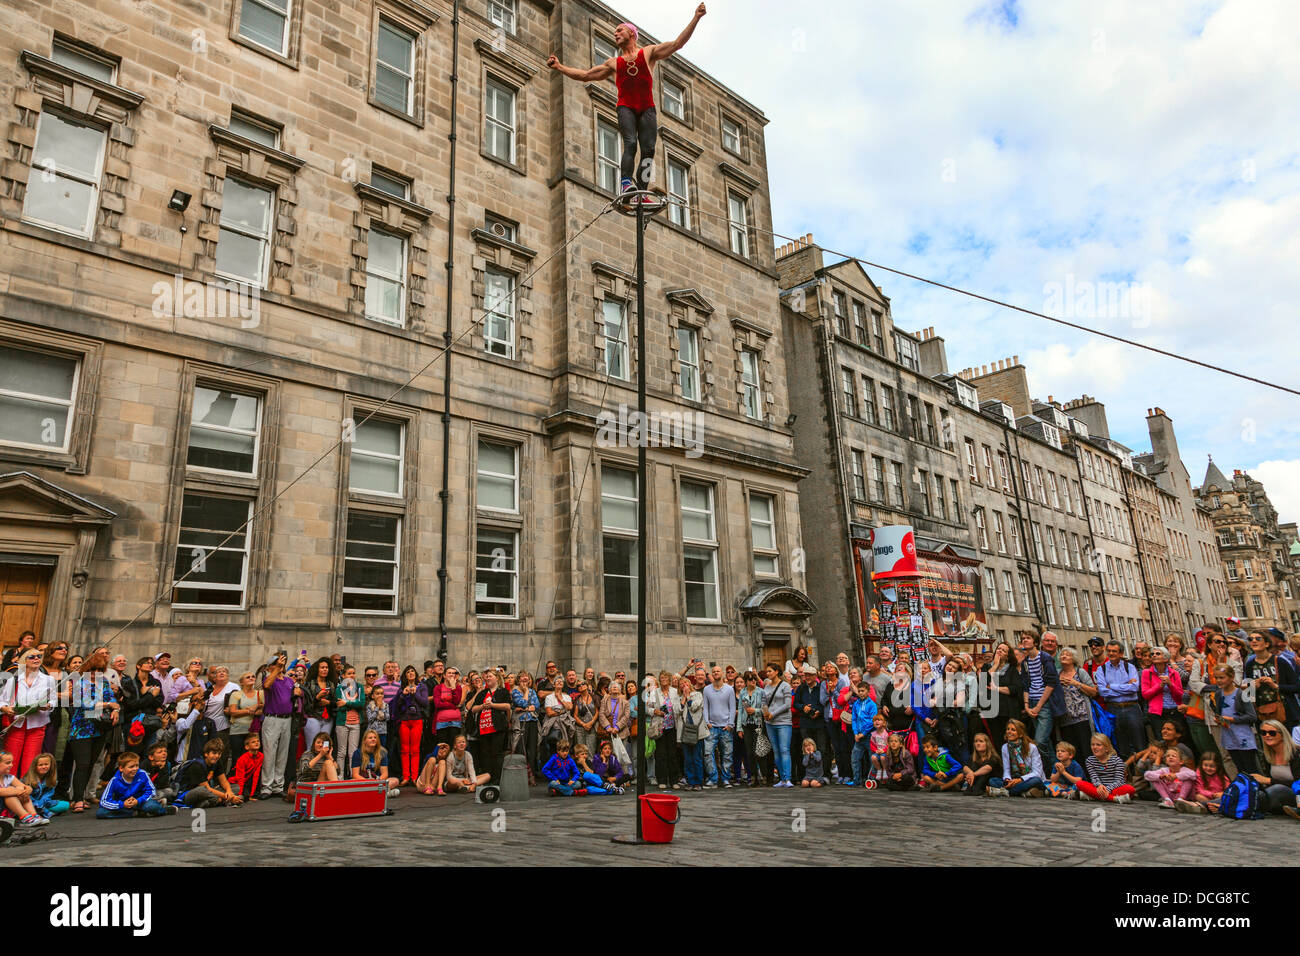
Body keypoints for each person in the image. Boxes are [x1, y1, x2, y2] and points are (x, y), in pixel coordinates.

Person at [546, 5, 708, 197]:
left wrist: (696, 17)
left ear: (631, 33)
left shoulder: (647, 53)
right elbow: (586, 75)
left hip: (647, 108)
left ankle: (642, 191)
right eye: (615, 31)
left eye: (619, 30)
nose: (615, 34)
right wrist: (559, 67)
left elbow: (677, 44)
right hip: (626, 108)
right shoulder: (613, 63)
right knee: (630, 143)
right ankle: (625, 184)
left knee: (648, 150)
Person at [66, 650, 119, 812]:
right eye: (94, 669)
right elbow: (86, 705)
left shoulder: (103, 682)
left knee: (91, 764)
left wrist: (115, 709)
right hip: (81, 728)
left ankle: (82, 796)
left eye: (100, 670)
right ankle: (76, 799)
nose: (96, 673)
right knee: (81, 764)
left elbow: (112, 698)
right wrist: (108, 706)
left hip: (99, 727)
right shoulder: (80, 682)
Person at [1, 646, 56, 777]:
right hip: (16, 724)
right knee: (11, 761)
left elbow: (53, 701)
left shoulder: (49, 680)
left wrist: (48, 705)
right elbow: (2, 700)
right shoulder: (13, 679)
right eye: (32, 656)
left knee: (31, 761)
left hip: (37, 725)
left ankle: (26, 789)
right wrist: (5, 708)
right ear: (24, 661)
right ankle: (8, 790)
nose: (36, 658)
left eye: (39, 656)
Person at [1095, 640, 1145, 758]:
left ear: (1121, 654)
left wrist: (1111, 686)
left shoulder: (1130, 667)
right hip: (1113, 708)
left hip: (1132, 707)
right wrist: (1125, 686)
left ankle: (1143, 771)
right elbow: (1102, 691)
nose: (1111, 654)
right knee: (1121, 743)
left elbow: (1134, 688)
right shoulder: (1102, 670)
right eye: (1109, 651)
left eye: (1114, 651)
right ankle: (1127, 772)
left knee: (1139, 741)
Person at [1244, 632, 1300, 730]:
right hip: (1263, 714)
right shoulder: (1249, 665)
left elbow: (1296, 687)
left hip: (1285, 712)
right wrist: (1252, 687)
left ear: (1267, 644)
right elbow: (1248, 695)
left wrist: (1276, 686)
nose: (1253, 641)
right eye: (1250, 639)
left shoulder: (1280, 662)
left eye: (1258, 638)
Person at [1210, 664, 1258, 776]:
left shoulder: (1241, 694)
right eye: (1216, 678)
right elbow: (1219, 712)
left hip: (1243, 736)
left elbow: (1252, 716)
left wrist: (1232, 719)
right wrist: (1220, 720)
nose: (1218, 681)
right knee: (1240, 768)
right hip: (1229, 737)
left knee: (1251, 769)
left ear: (1231, 677)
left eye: (1222, 677)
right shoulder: (1218, 694)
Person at [97, 751, 173, 818]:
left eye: (137, 765)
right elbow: (104, 801)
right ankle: (136, 813)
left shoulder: (142, 774)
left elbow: (151, 791)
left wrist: (138, 800)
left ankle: (164, 810)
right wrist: (122, 804)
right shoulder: (115, 780)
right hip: (124, 804)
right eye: (131, 767)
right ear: (121, 768)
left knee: (151, 806)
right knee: (101, 812)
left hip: (141, 802)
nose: (135, 769)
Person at [1251, 719, 1300, 819]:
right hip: (1277, 796)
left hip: (1295, 793)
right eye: (1263, 733)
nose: (1267, 735)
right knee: (1251, 791)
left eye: (1272, 733)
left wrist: (1268, 781)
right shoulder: (1267, 756)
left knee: (1275, 790)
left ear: (1282, 735)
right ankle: (1219, 803)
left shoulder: (1296, 753)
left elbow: (1297, 783)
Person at [470, 668, 511, 785]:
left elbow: (508, 706)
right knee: (485, 755)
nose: (487, 678)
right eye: (486, 677)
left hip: (497, 727)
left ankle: (496, 779)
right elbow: (473, 709)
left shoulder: (502, 691)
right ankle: (486, 779)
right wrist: (483, 706)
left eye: (490, 676)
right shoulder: (482, 693)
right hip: (483, 729)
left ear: (497, 678)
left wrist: (492, 705)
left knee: (497, 754)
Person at [1141, 647, 1189, 746]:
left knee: (1179, 741)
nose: (1154, 655)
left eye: (1158, 653)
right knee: (1162, 742)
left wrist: (1170, 684)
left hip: (1175, 711)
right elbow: (1145, 695)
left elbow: (1180, 694)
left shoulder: (1174, 673)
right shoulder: (1146, 673)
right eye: (1152, 654)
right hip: (1158, 713)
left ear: (1166, 658)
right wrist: (1160, 686)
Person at [391, 666, 428, 787]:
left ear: (416, 673)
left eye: (412, 671)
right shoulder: (401, 688)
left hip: (417, 719)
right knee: (405, 749)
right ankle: (406, 777)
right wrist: (403, 694)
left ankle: (414, 777)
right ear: (405, 675)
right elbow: (396, 705)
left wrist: (415, 693)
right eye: (408, 672)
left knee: (415, 749)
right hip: (404, 720)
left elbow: (425, 702)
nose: (410, 673)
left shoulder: (422, 686)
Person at [177, 739, 242, 808]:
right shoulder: (196, 765)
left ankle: (213, 801)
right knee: (201, 790)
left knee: (237, 787)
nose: (217, 756)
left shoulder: (217, 762)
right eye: (214, 753)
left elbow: (224, 781)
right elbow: (206, 788)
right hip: (190, 793)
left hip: (209, 792)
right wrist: (228, 797)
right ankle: (221, 800)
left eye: (219, 754)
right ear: (206, 754)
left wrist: (229, 792)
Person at [989, 719, 1044, 797]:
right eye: (1008, 729)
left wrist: (1020, 779)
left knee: (1036, 781)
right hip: (1014, 779)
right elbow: (1007, 770)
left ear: (1020, 734)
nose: (1009, 732)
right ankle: (1023, 792)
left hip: (1028, 779)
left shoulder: (1032, 747)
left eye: (1013, 730)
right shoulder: (1005, 747)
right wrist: (1007, 779)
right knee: (992, 781)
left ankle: (1005, 792)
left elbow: (1037, 773)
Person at [701, 665, 736, 788]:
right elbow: (705, 707)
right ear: (711, 674)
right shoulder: (707, 690)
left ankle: (726, 779)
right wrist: (706, 722)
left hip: (725, 727)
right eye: (714, 671)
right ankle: (713, 779)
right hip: (711, 727)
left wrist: (730, 724)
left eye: (718, 671)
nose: (716, 673)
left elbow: (732, 707)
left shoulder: (729, 690)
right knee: (707, 753)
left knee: (727, 754)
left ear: (722, 674)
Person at [1076, 734, 1136, 803]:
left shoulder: (1117, 760)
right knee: (1079, 783)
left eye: (1098, 745)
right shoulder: (1089, 760)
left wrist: (1107, 789)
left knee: (1130, 789)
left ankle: (1092, 796)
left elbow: (1119, 781)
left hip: (1114, 788)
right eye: (1092, 745)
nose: (1094, 747)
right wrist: (1099, 785)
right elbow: (1094, 777)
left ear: (1106, 749)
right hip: (1098, 788)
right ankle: (1114, 799)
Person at [761, 664, 793, 788]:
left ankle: (788, 778)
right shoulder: (766, 688)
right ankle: (782, 778)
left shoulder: (785, 686)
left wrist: (772, 713)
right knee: (776, 750)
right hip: (770, 722)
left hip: (783, 721)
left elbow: (787, 704)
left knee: (784, 749)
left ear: (776, 672)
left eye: (770, 671)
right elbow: (763, 703)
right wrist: (765, 713)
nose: (767, 673)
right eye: (766, 671)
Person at [331, 665, 365, 776]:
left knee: (353, 752)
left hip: (355, 723)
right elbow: (339, 706)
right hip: (342, 723)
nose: (352, 675)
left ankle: (353, 775)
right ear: (343, 675)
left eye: (353, 673)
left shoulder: (359, 687)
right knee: (341, 751)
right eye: (349, 673)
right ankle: (340, 776)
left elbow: (361, 704)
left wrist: (347, 703)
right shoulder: (339, 688)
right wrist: (351, 704)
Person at [0, 749, 48, 827]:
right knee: (10, 795)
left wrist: (26, 790)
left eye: (11, 762)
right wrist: (17, 791)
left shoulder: (9, 777)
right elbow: (1, 791)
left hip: (7, 809)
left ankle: (34, 815)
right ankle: (25, 817)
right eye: (8, 763)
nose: (11, 765)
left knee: (23, 794)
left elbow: (26, 787)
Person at [1174, 750, 1231, 815]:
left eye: (1212, 766)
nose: (1208, 768)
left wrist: (1222, 793)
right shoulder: (1199, 774)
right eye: (1205, 765)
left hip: (1217, 798)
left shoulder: (1222, 776)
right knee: (1198, 796)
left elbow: (1229, 789)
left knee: (1225, 798)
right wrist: (1212, 794)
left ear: (1217, 766)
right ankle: (1207, 806)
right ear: (1201, 765)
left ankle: (1201, 806)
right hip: (1205, 797)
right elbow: (1199, 789)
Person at [225, 670, 263, 766]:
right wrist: (250, 710)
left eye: (253, 676)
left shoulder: (260, 694)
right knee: (237, 758)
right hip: (237, 730)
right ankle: (237, 779)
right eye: (248, 677)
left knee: (253, 758)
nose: (251, 678)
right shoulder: (236, 694)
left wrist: (243, 711)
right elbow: (233, 712)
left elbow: (262, 711)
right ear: (241, 682)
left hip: (253, 731)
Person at [676, 676, 706, 791]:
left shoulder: (697, 695)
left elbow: (694, 707)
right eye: (681, 684)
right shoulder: (678, 698)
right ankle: (690, 781)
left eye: (685, 683)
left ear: (689, 684)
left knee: (697, 757)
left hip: (696, 731)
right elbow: (677, 711)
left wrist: (688, 696)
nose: (684, 686)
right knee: (687, 759)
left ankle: (698, 782)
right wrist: (683, 698)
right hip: (684, 732)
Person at [847, 680, 879, 787]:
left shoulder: (872, 705)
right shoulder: (856, 704)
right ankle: (857, 780)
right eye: (859, 691)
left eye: (863, 691)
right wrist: (856, 733)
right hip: (858, 736)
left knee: (871, 759)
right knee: (855, 758)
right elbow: (854, 719)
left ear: (868, 691)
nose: (860, 693)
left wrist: (863, 733)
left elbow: (872, 721)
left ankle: (871, 779)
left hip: (869, 736)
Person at [511, 670, 541, 780]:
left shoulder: (533, 691)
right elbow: (522, 703)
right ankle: (521, 775)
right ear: (518, 680)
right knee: (521, 748)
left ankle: (531, 775)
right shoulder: (515, 691)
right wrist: (526, 693)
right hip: (521, 722)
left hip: (532, 721)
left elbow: (536, 705)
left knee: (532, 749)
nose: (525, 679)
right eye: (522, 677)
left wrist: (526, 707)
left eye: (527, 677)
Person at [351, 727, 400, 793]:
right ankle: (383, 792)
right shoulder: (358, 753)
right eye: (370, 738)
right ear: (365, 740)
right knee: (352, 781)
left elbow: (385, 774)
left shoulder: (382, 752)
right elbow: (355, 775)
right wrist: (367, 782)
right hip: (363, 781)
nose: (373, 739)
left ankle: (372, 791)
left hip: (377, 781)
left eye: (375, 737)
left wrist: (377, 781)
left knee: (395, 780)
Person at [23, 752, 68, 818]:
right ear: (35, 767)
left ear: (50, 765)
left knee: (66, 805)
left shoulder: (51, 779)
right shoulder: (27, 780)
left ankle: (41, 810)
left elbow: (48, 795)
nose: (44, 767)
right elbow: (28, 797)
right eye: (40, 765)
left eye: (46, 764)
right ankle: (38, 811)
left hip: (43, 803)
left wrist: (42, 804)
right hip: (29, 803)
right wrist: (37, 805)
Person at [962, 732, 1002, 796]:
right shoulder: (973, 757)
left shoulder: (993, 757)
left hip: (993, 781)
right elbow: (965, 767)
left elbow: (988, 768)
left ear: (987, 744)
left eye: (981, 741)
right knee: (973, 767)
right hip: (979, 780)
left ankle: (977, 788)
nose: (978, 743)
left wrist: (973, 774)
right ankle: (970, 788)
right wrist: (970, 773)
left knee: (983, 772)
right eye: (976, 741)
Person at [230, 732, 264, 801]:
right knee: (241, 794)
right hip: (235, 780)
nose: (256, 743)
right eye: (253, 742)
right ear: (247, 747)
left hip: (247, 780)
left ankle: (249, 794)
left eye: (258, 741)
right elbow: (240, 777)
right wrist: (240, 793)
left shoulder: (261, 756)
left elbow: (256, 775)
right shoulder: (242, 759)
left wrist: (252, 794)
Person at [365, 685, 390, 752]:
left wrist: (382, 708)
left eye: (381, 693)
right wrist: (377, 708)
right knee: (371, 750)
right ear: (373, 696)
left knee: (381, 750)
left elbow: (387, 718)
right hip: (372, 732)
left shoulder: (386, 705)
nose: (380, 696)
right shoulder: (369, 706)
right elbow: (370, 719)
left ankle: (381, 762)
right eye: (377, 694)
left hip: (382, 732)